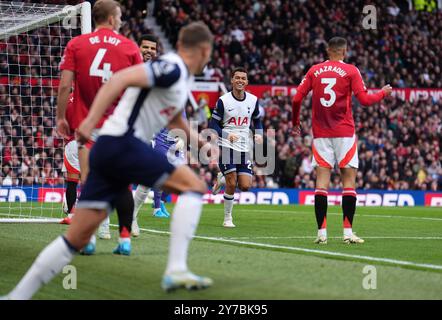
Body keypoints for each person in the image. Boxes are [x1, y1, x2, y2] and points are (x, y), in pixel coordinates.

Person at [4, 22, 214, 300]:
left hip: (108, 148)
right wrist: (90, 120)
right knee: (194, 188)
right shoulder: (172, 67)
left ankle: (16, 296)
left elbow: (173, 118)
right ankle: (176, 269)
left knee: (75, 238)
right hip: (123, 142)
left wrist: (201, 143)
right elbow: (118, 80)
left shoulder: (180, 77)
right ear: (204, 50)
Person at [56, 0, 143, 254]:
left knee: (89, 180)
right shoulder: (129, 47)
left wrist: (62, 117)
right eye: (120, 17)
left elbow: (64, 87)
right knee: (122, 182)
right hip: (118, 127)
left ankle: (90, 238)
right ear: (113, 19)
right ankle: (124, 240)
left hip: (87, 127)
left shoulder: (76, 44)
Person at [291, 37, 393, 244]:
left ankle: (321, 235)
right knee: (348, 183)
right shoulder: (351, 71)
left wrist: (295, 122)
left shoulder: (314, 70)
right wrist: (383, 93)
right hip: (344, 133)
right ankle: (347, 234)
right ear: (344, 51)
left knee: (321, 184)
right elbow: (364, 100)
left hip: (321, 135)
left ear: (328, 50)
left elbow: (296, 99)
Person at [131, 34, 187, 237]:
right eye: (145, 47)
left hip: (152, 133)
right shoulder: (129, 69)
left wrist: (181, 134)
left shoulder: (161, 75)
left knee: (150, 176)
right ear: (138, 48)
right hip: (125, 128)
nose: (148, 51)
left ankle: (133, 217)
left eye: (152, 48)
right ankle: (99, 224)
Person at [209, 67, 263, 227]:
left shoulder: (253, 100)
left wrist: (258, 133)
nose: (240, 80)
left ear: (247, 82)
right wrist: (227, 135)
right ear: (232, 80)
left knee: (245, 186)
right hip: (226, 145)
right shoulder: (223, 101)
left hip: (244, 147)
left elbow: (257, 119)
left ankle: (221, 178)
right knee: (232, 183)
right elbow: (213, 125)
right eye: (237, 78)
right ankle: (227, 218)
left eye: (243, 78)